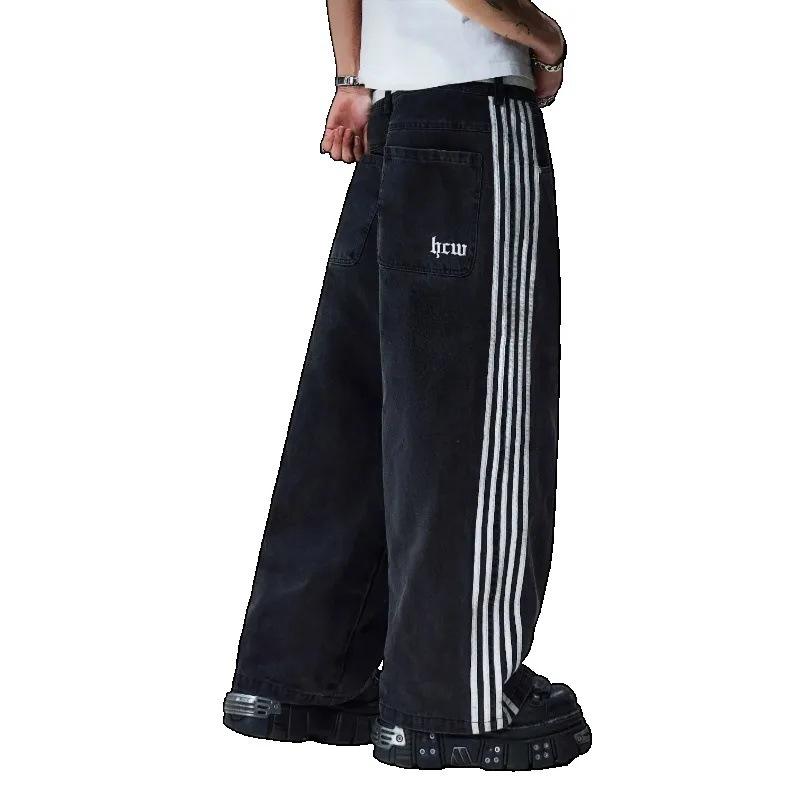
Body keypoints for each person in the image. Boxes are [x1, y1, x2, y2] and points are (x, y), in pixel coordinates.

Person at [223, 0, 591, 771]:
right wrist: (548, 42)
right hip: (472, 114)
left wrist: (353, 78)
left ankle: (302, 680)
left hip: (391, 114)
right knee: (470, 416)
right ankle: (457, 704)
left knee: (352, 410)